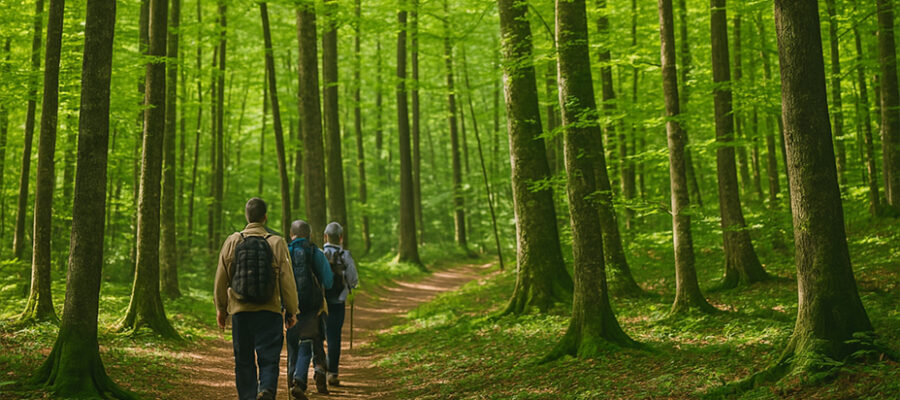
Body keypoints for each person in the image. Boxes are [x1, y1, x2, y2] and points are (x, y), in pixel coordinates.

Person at [214, 198, 299, 400]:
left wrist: (221, 308)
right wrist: (292, 310)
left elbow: (221, 278)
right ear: (265, 217)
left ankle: (248, 397)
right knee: (269, 358)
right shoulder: (277, 242)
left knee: (243, 360)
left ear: (247, 217)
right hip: (269, 312)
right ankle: (266, 390)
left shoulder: (233, 241)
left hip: (240, 312)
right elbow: (287, 280)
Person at [285, 220, 333, 400]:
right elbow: (328, 281)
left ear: (291, 235)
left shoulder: (286, 253)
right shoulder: (316, 252)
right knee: (309, 341)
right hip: (312, 307)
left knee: (292, 345)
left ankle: (292, 378)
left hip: (291, 307)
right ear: (309, 235)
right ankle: (305, 378)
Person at [321, 222, 360, 387]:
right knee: (334, 337)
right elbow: (353, 280)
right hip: (338, 301)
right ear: (341, 238)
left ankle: (319, 370)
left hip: (321, 303)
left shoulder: (320, 254)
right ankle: (333, 374)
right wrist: (350, 287)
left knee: (318, 336)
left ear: (325, 237)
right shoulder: (345, 255)